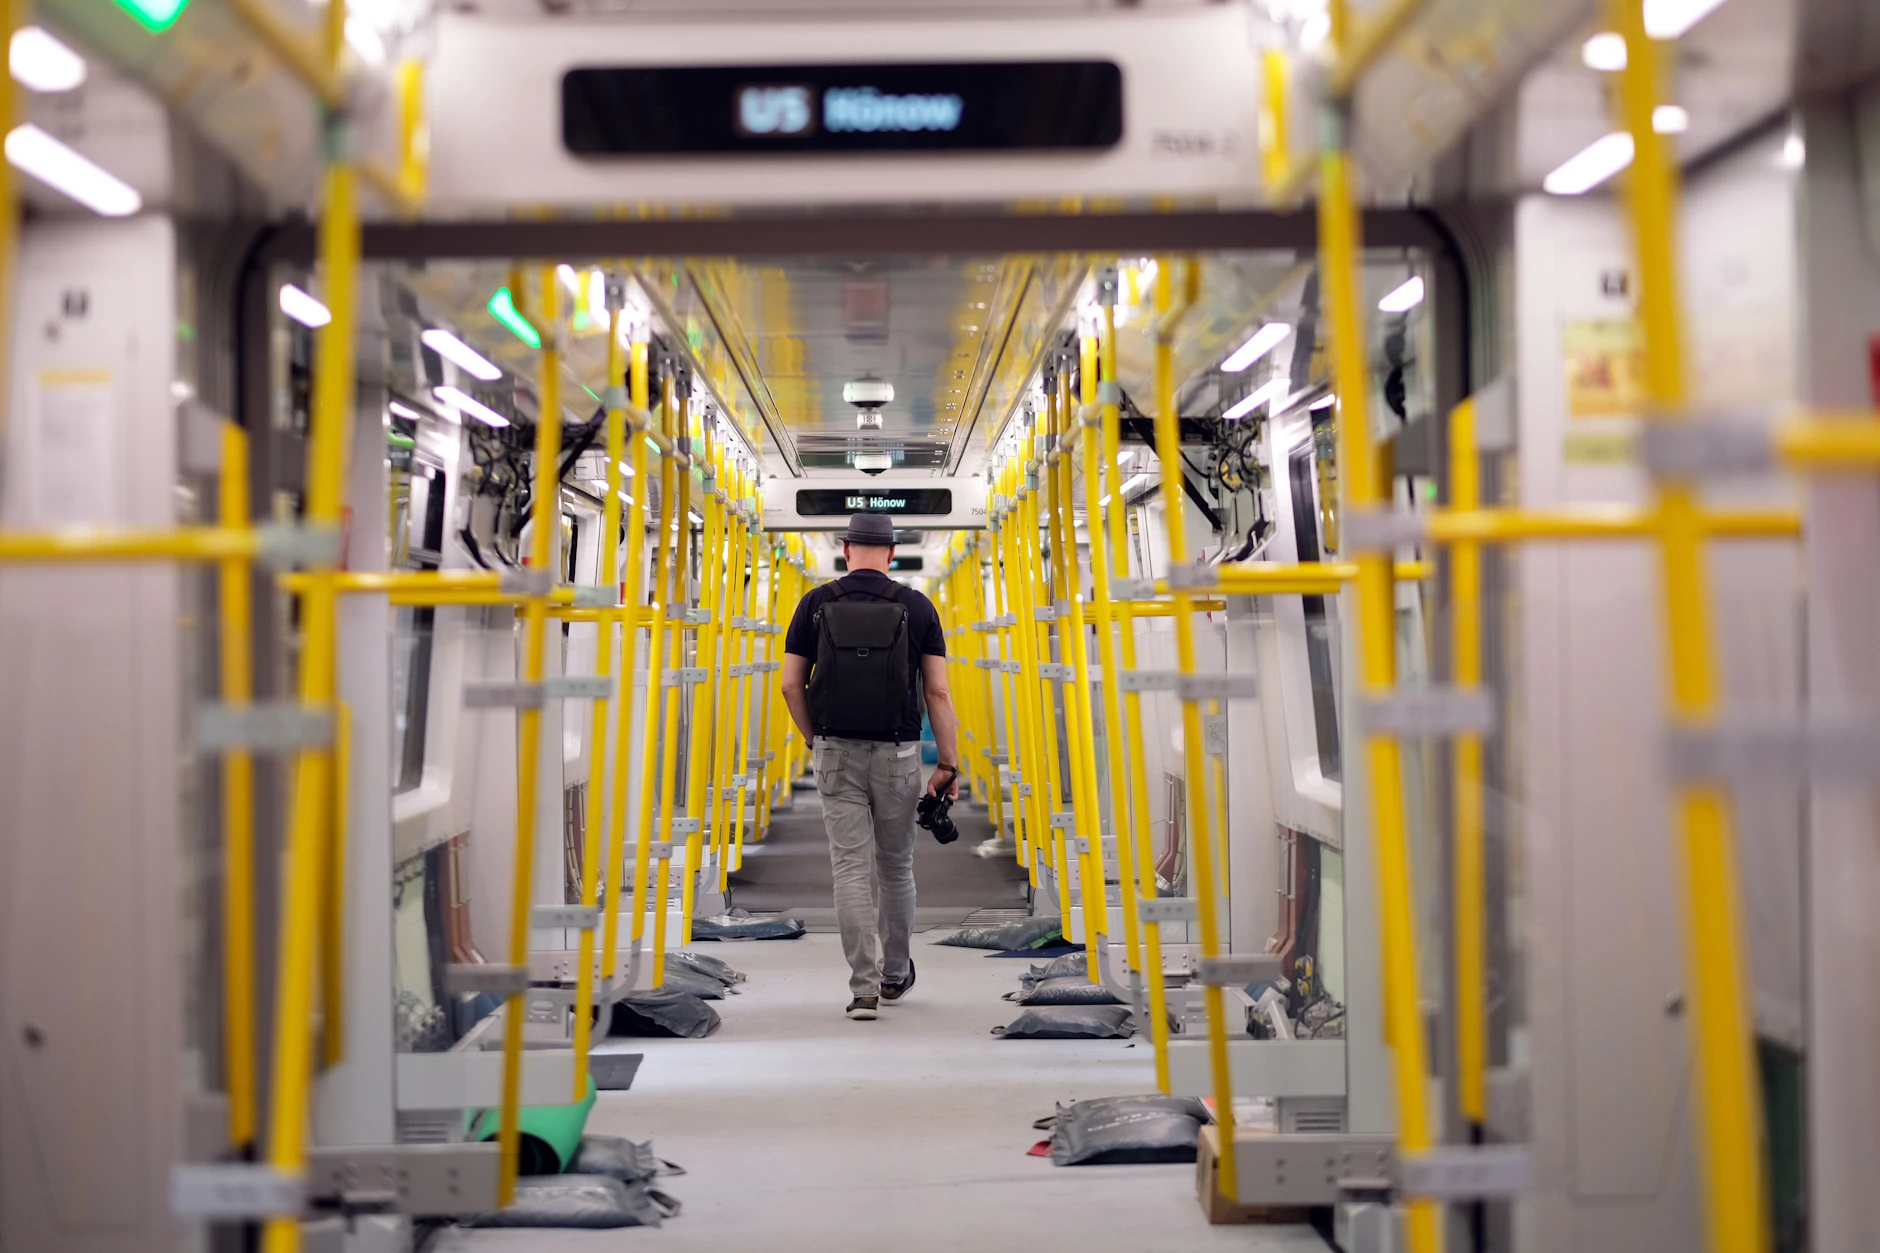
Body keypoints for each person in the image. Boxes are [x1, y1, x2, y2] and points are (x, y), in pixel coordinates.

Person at [779, 512, 959, 1020]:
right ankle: (895, 974)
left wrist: (816, 740)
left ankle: (863, 989)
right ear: (892, 554)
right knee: (896, 867)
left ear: (845, 549)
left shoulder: (814, 603)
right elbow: (938, 692)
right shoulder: (917, 607)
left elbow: (791, 685)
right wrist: (948, 763)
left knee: (850, 869)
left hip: (835, 749)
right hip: (899, 753)